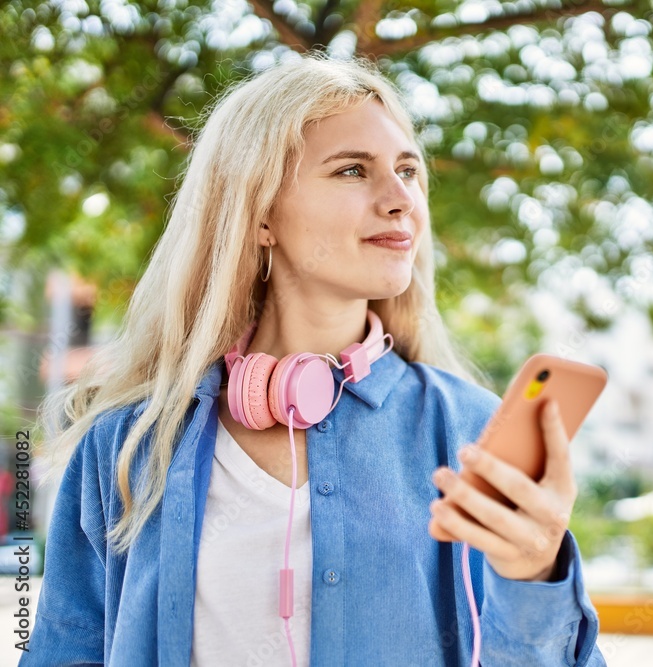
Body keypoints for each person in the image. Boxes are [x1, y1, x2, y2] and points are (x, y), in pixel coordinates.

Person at [22, 54, 607, 666]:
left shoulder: (471, 433)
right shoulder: (126, 445)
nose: (399, 198)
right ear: (261, 214)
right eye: (353, 170)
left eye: (408, 171)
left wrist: (535, 575)